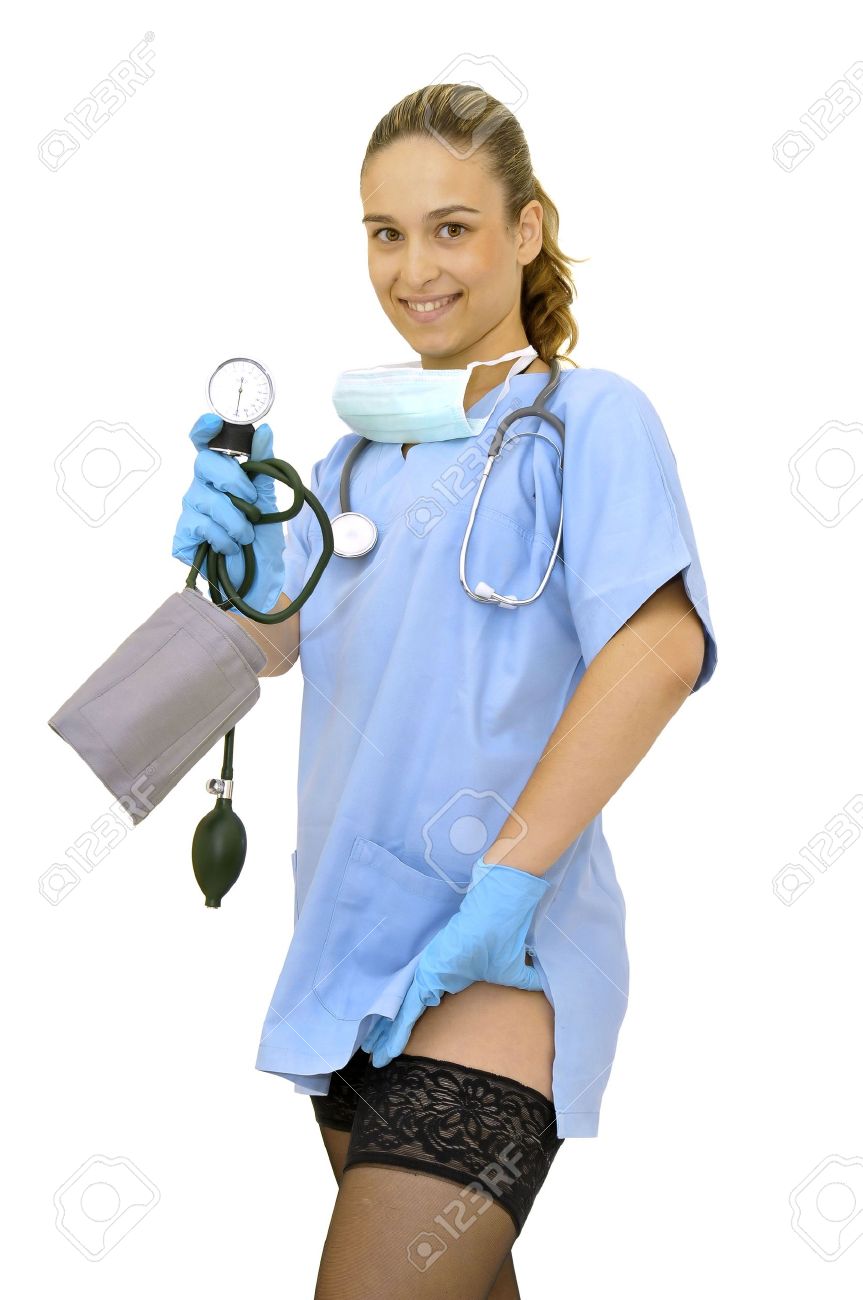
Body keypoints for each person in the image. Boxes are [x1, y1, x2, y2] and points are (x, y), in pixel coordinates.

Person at [172, 83, 718, 1300]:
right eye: (386, 232)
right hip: (346, 959)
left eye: (451, 228)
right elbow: (265, 647)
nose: (414, 268)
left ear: (525, 230)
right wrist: (232, 560)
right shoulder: (348, 462)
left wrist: (506, 886)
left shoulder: (587, 419)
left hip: (492, 957)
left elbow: (658, 649)